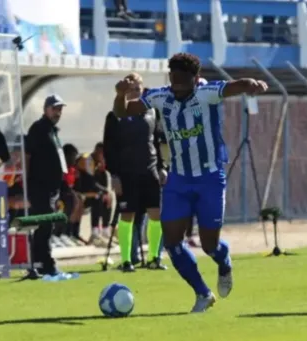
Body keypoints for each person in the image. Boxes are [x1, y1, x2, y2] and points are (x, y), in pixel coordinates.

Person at [113, 53, 268, 313]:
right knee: (172, 243)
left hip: (209, 179)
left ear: (195, 80)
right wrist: (120, 94)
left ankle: (224, 260)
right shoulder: (160, 96)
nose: (178, 86)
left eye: (183, 81)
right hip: (178, 180)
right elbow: (123, 111)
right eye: (174, 80)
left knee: (209, 245)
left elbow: (236, 85)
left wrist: (252, 84)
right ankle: (202, 293)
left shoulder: (207, 93)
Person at [104, 73, 168, 272]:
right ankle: (126, 260)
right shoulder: (115, 115)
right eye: (130, 90)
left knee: (156, 214)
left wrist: (163, 167)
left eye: (138, 89)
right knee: (127, 215)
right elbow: (109, 147)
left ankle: (154, 258)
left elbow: (159, 141)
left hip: (149, 170)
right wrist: (114, 175)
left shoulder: (151, 112)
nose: (134, 93)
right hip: (126, 173)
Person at [25, 94, 70, 278]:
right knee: (44, 226)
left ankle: (41, 263)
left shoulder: (53, 130)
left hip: (52, 187)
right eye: (54, 108)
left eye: (60, 109)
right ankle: (43, 263)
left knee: (47, 225)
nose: (58, 112)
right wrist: (27, 183)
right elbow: (28, 155)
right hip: (39, 185)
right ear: (46, 109)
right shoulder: (39, 128)